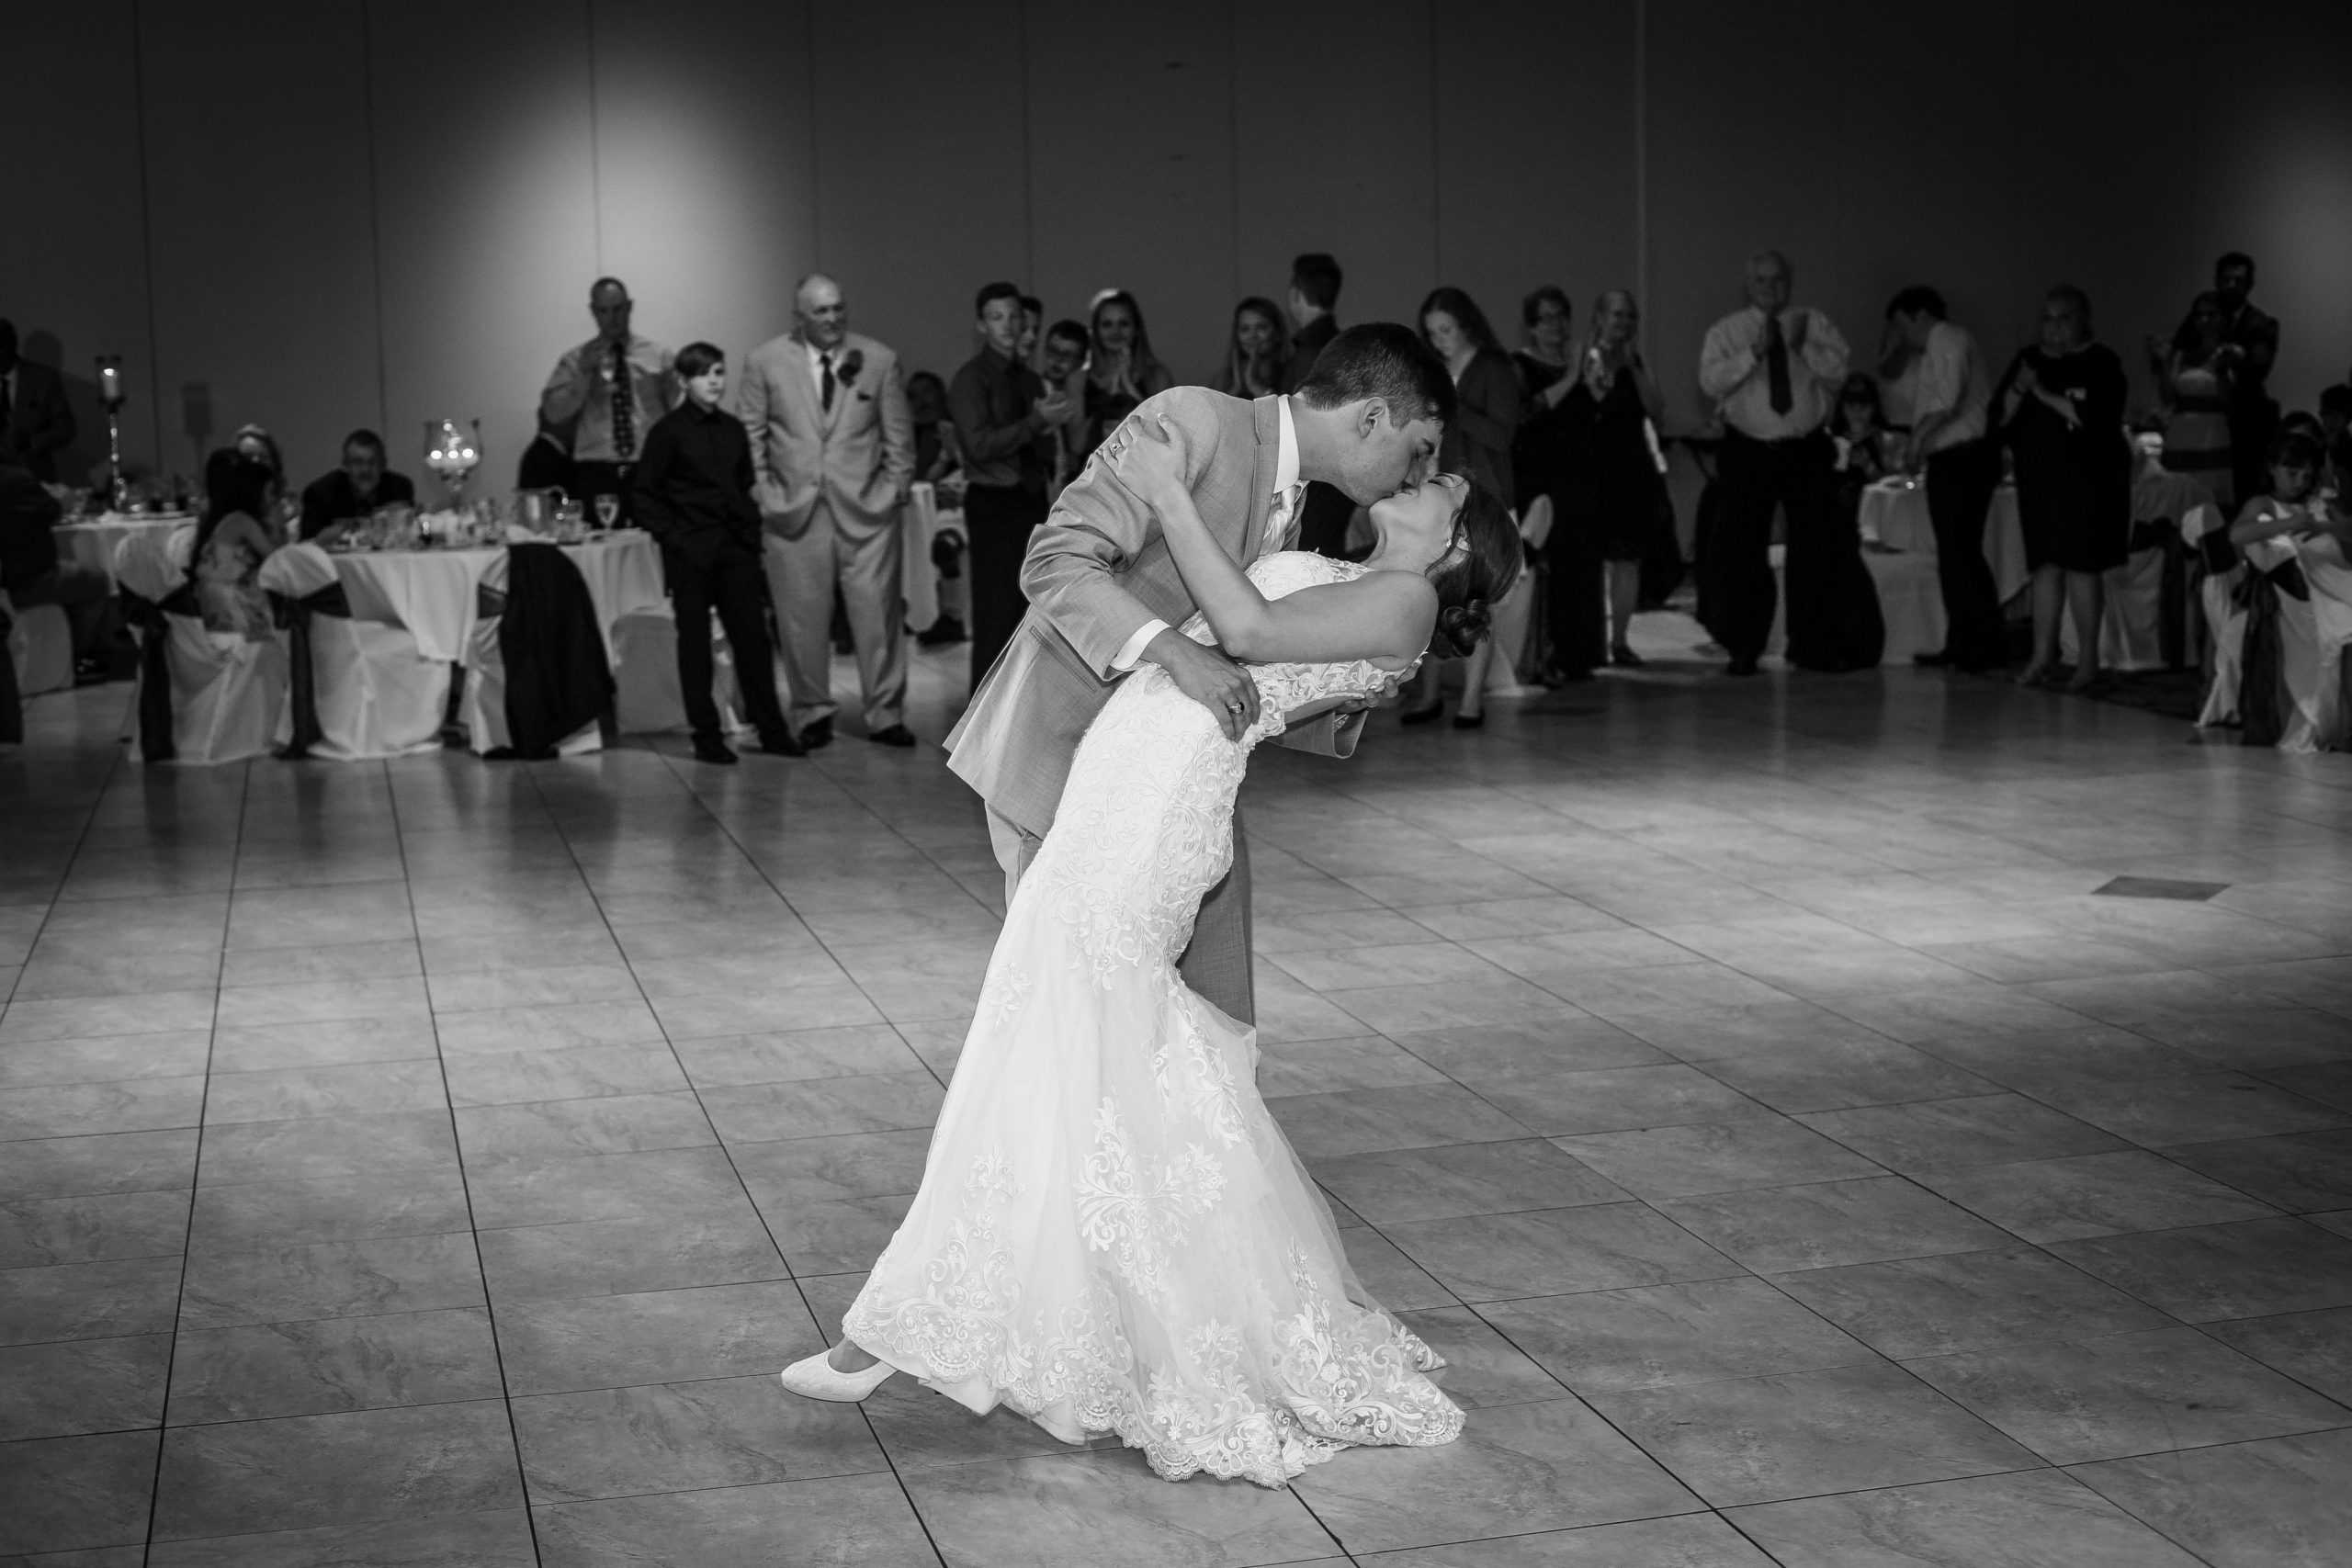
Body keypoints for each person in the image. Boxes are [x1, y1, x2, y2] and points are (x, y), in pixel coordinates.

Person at [786, 428, 1518, 1493]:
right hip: (1126, 778)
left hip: (1158, 807)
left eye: (1442, 482)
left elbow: (1247, 626)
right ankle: (1018, 1317)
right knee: (1085, 1051)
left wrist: (1173, 496)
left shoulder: (1403, 603)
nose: (1422, 476)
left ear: (1455, 547)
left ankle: (892, 1331)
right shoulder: (1365, 576)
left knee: (1048, 1034)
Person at [942, 320, 1453, 1027]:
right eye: (1420, 449)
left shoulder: (1293, 500)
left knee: (1197, 1019)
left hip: (1167, 783)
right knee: (1076, 1014)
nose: (1418, 475)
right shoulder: (1193, 419)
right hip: (1065, 754)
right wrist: (1177, 654)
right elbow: (1055, 561)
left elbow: (1242, 676)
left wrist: (1342, 693)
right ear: (1372, 418)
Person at [737, 273, 917, 749]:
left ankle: (885, 714)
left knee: (878, 618)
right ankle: (812, 710)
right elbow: (750, 436)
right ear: (799, 318)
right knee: (800, 619)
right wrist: (762, 493)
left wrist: (894, 488)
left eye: (838, 308)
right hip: (793, 512)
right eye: (821, 311)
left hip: (868, 514)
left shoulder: (879, 359)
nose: (833, 318)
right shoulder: (765, 362)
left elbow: (899, 435)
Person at [1698, 250, 1870, 674]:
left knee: (1815, 547)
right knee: (1743, 550)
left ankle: (1810, 643)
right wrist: (1754, 354)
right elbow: (1710, 380)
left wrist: (1801, 348)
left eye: (1777, 280)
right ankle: (1743, 645)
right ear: (1748, 284)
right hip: (1749, 449)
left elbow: (1841, 373)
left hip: (1804, 448)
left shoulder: (1814, 324)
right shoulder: (1728, 331)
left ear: (1789, 284)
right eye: (1761, 280)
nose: (1770, 287)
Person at [629, 343, 800, 765]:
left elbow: (743, 486)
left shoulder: (733, 429)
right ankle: (706, 735)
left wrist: (748, 531)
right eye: (705, 374)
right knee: (695, 645)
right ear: (684, 382)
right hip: (691, 551)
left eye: (720, 373)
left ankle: (771, 729)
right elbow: (642, 494)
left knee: (754, 642)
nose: (714, 381)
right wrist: (675, 536)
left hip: (734, 548)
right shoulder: (667, 432)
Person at [1994, 284, 2132, 691]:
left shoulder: (2102, 363)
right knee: (2045, 567)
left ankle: (2087, 660)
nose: (2053, 328)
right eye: (2047, 319)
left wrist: (2042, 393)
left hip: (2088, 480)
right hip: (2040, 479)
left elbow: (2097, 417)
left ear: (2082, 320)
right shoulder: (2029, 360)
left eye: (2063, 318)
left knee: (2082, 567)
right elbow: (2000, 416)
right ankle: (2041, 656)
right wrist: (2021, 388)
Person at [1400, 288, 1521, 725]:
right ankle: (1430, 695)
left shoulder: (1494, 368)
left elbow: (1502, 435)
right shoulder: (1437, 370)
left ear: (1467, 324)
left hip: (1482, 500)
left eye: (1446, 331)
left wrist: (1454, 407)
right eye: (1433, 334)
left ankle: (1471, 701)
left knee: (1476, 602)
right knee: (1431, 596)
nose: (1441, 341)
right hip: (1440, 496)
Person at [949, 281, 1073, 690]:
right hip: (993, 504)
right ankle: (978, 722)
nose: (1006, 325)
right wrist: (1035, 424)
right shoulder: (970, 379)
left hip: (1030, 500)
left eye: (1013, 316)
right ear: (981, 325)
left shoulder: (1031, 380)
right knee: (995, 614)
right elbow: (978, 446)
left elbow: (1039, 448)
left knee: (1031, 611)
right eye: (996, 317)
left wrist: (1050, 429)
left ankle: (1016, 713)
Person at [1887, 287, 2004, 671]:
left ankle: (1982, 644)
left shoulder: (1949, 338)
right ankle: (1963, 641)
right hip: (1953, 456)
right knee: (1954, 554)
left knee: (1962, 552)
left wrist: (1916, 444)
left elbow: (1948, 398)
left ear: (1918, 315)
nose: (1903, 336)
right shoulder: (1940, 344)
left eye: (1902, 325)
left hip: (1964, 456)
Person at [1557, 289, 1668, 671]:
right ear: (1600, 317)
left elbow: (1656, 408)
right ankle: (1590, 642)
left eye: (1629, 316)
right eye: (1616, 315)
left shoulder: (1637, 361)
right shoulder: (1585, 356)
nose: (1623, 323)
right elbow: (1592, 403)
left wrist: (1634, 367)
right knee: (1590, 559)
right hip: (1594, 469)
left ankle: (1620, 640)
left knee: (1628, 559)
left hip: (1633, 471)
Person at [2226, 431, 2351, 750]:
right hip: (2296, 596)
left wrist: (2322, 526)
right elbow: (2238, 534)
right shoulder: (2263, 503)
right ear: (2272, 469)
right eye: (2291, 472)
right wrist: (2284, 525)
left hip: (2335, 583)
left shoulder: (2323, 499)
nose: (2299, 480)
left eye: (2306, 473)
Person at [1512, 286, 1600, 682]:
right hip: (1542, 480)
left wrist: (1593, 377)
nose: (1557, 325)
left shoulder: (1582, 365)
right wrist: (1573, 376)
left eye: (1562, 316)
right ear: (1532, 326)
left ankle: (1580, 655)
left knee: (1582, 566)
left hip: (1580, 479)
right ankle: (1547, 658)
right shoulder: (1521, 365)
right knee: (1551, 569)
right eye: (1547, 317)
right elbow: (1529, 412)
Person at [539, 277, 680, 520]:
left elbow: (680, 414)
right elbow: (553, 412)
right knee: (600, 547)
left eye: (618, 309)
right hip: (596, 470)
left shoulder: (659, 356)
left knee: (655, 545)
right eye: (604, 311)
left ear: (629, 307)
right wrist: (583, 374)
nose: (612, 317)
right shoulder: (575, 360)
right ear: (593, 311)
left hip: (649, 467)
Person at [0, 463, 115, 672]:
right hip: (25, 580)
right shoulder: (14, 478)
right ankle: (75, 659)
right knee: (97, 581)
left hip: (11, 576)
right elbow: (51, 511)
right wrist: (56, 496)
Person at [1285, 254, 1353, 558]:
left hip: (1312, 481)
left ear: (1296, 294)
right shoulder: (1343, 344)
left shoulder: (1309, 351)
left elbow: (1300, 423)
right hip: (1339, 476)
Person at [2148, 292, 2239, 512]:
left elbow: (2228, 398)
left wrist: (2222, 367)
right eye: (2200, 315)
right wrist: (2164, 362)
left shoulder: (2230, 352)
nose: (2205, 321)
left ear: (2223, 318)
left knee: (2210, 503)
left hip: (2211, 434)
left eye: (2212, 315)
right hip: (2181, 432)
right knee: (2178, 501)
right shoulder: (2181, 355)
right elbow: (2168, 396)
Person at [189, 450, 282, 641]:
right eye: (271, 492)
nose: (274, 498)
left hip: (215, 609)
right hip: (233, 612)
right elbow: (278, 560)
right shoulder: (241, 522)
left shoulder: (221, 521)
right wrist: (278, 522)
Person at [2212, 252, 2280, 506]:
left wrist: (2236, 355)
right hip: (2207, 417)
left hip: (2245, 421)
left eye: (2239, 280)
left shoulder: (2262, 324)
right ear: (2217, 281)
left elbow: (2259, 367)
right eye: (2226, 279)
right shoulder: (2204, 316)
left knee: (2243, 492)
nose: (2232, 286)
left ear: (2249, 284)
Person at [1079, 289, 1175, 462]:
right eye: (1107, 324)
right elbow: (1075, 444)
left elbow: (1165, 439)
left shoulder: (1158, 376)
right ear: (1095, 331)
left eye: (1123, 323)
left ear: (1137, 329)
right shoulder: (1078, 379)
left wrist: (1128, 385)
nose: (1115, 331)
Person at [298, 429, 416, 542]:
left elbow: (408, 535)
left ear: (383, 464)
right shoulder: (321, 493)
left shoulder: (399, 488)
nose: (365, 469)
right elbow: (308, 543)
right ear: (345, 465)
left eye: (372, 462)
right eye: (358, 462)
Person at [0, 321, 76, 482]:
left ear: (13, 345)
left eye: (2, 346)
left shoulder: (43, 379)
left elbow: (65, 428)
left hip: (34, 480)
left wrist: (31, 441)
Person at [1219, 297, 1291, 399]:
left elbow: (1289, 412)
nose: (1252, 336)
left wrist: (1254, 385)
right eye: (1245, 329)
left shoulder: (1293, 373)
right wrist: (1236, 388)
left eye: (1261, 327)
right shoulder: (1222, 379)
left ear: (1277, 334)